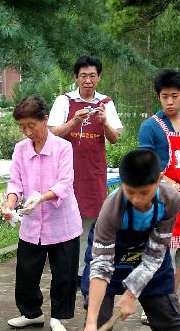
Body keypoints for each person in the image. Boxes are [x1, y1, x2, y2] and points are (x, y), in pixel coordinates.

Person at [79, 149, 180, 331]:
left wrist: (131, 293)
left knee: (169, 320)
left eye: (144, 192)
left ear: (159, 179)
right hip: (111, 259)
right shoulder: (112, 208)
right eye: (130, 192)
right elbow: (101, 266)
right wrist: (91, 323)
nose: (137, 199)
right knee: (97, 328)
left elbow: (155, 253)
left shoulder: (170, 200)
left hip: (150, 260)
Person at [2, 96, 81, 331]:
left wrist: (43, 197)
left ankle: (58, 316)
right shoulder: (20, 149)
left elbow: (65, 182)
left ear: (44, 120)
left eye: (31, 126)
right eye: (22, 127)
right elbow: (14, 181)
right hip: (32, 222)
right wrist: (10, 203)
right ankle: (32, 314)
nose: (27, 132)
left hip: (62, 222)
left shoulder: (62, 148)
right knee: (26, 270)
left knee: (64, 273)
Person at [48, 55, 124, 278]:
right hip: (65, 171)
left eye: (92, 76)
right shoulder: (65, 101)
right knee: (64, 219)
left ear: (99, 78)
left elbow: (114, 138)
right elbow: (52, 132)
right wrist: (75, 122)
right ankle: (64, 271)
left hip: (93, 171)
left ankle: (85, 273)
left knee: (90, 221)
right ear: (76, 78)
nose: (88, 80)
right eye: (83, 76)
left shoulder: (106, 103)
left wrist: (103, 122)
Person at [137, 68, 180, 325]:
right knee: (159, 254)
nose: (170, 102)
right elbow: (145, 162)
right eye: (165, 96)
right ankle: (151, 308)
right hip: (162, 201)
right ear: (159, 97)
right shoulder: (150, 127)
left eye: (175, 96)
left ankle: (171, 304)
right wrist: (167, 181)